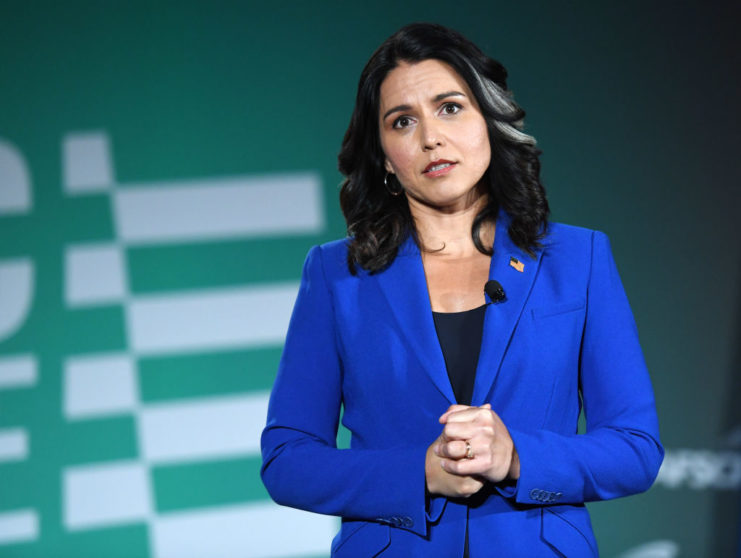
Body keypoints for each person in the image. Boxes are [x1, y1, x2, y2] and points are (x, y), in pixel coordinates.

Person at [261, 22, 663, 558]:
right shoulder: (337, 275)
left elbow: (636, 449)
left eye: (450, 107)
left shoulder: (579, 259)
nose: (430, 137)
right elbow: (287, 459)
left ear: (487, 120)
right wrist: (419, 472)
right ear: (382, 154)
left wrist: (517, 457)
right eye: (403, 121)